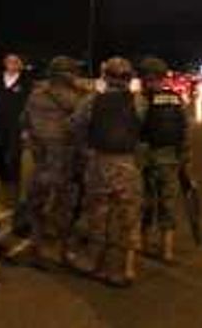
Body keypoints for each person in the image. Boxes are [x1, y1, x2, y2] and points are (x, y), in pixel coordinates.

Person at [66, 57, 143, 287]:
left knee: (98, 213)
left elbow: (74, 125)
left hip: (99, 162)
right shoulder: (138, 102)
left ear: (105, 76)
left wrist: (84, 147)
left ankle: (93, 261)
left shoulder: (92, 101)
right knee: (126, 216)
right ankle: (123, 269)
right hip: (128, 164)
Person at [21, 56, 86, 266]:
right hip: (67, 162)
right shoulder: (79, 98)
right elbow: (85, 128)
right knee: (66, 208)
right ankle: (65, 252)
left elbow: (24, 123)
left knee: (36, 206)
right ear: (68, 75)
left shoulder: (35, 96)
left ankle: (36, 248)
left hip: (41, 161)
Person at [138, 56, 191, 262]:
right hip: (170, 160)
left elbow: (136, 127)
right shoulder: (176, 99)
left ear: (147, 77)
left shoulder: (143, 100)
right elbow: (184, 131)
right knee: (167, 203)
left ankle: (142, 243)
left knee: (145, 202)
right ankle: (167, 250)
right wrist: (185, 159)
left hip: (146, 158)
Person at [0, 53, 33, 202]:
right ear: (5, 63)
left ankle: (14, 191)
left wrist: (28, 128)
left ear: (20, 65)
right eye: (9, 61)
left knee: (13, 158)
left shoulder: (27, 81)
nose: (12, 64)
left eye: (15, 61)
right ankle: (6, 183)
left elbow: (31, 106)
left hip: (17, 126)